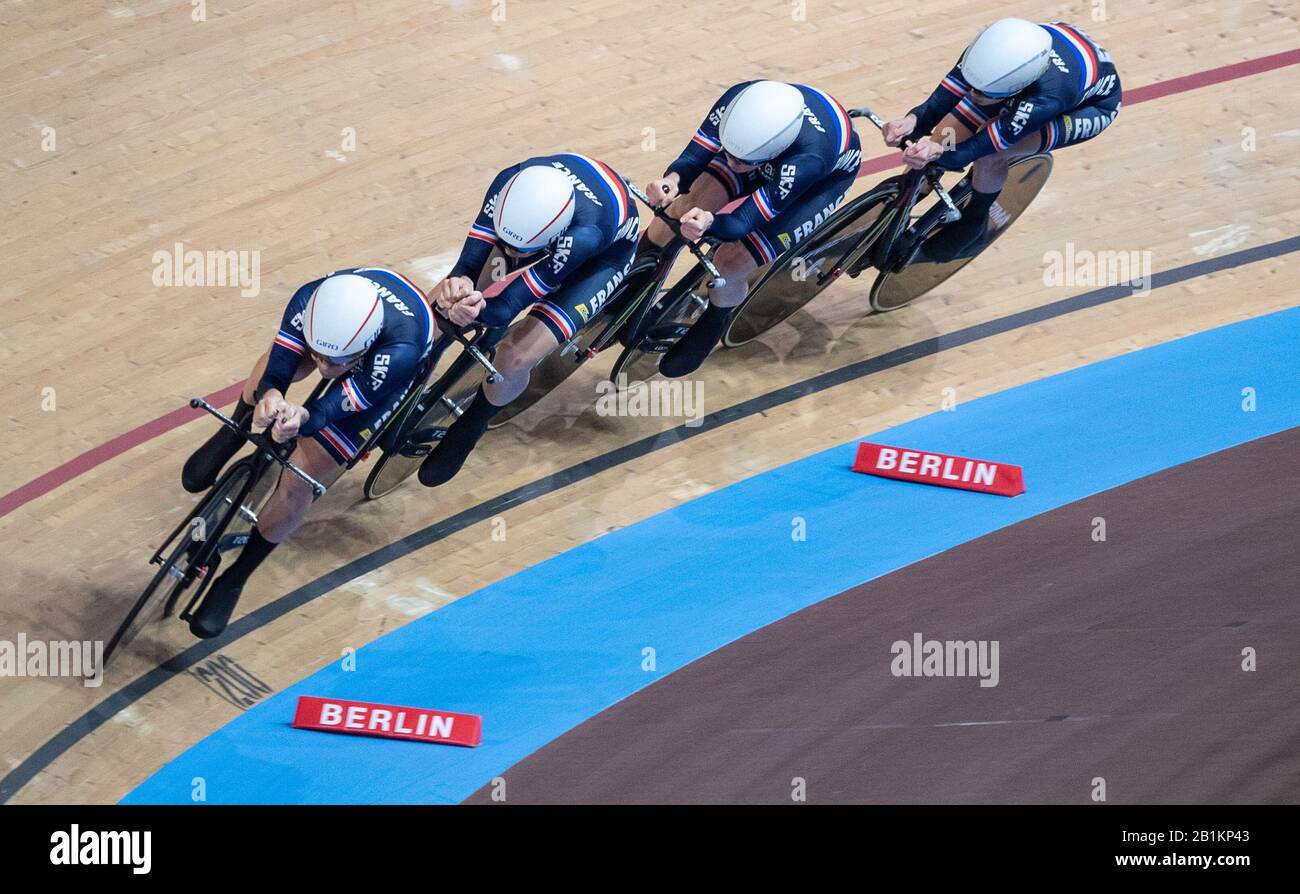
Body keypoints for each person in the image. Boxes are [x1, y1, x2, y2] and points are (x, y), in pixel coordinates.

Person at [180, 267, 434, 637]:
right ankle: (234, 430)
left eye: (336, 363)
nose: (325, 369)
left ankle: (235, 578)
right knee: (275, 368)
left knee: (303, 478)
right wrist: (271, 395)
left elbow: (336, 407)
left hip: (386, 373)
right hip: (338, 329)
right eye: (319, 357)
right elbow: (281, 363)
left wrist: (304, 415)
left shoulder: (401, 348)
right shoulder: (309, 299)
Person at [417, 154, 639, 487]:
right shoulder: (507, 183)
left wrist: (476, 310)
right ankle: (407, 375)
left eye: (522, 249)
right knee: (443, 301)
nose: (511, 255)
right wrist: (459, 289)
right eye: (505, 243)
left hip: (605, 255)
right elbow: (467, 266)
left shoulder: (586, 234)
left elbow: (509, 305)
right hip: (548, 222)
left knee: (513, 356)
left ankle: (473, 424)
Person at [639, 79, 862, 378]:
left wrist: (710, 223)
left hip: (816, 183)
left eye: (740, 160)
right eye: (728, 151)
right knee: (681, 208)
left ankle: (716, 319)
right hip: (766, 150)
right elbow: (695, 157)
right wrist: (672, 183)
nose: (730, 161)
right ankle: (632, 283)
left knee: (730, 262)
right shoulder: (736, 100)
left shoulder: (809, 159)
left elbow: (741, 223)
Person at [884, 18, 1121, 260]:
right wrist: (912, 122)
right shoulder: (984, 55)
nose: (973, 94)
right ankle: (893, 209)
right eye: (972, 85)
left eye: (982, 91)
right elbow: (939, 102)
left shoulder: (1047, 98)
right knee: (945, 135)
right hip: (1037, 63)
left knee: (991, 155)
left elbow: (979, 147)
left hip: (1090, 107)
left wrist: (940, 155)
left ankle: (975, 220)